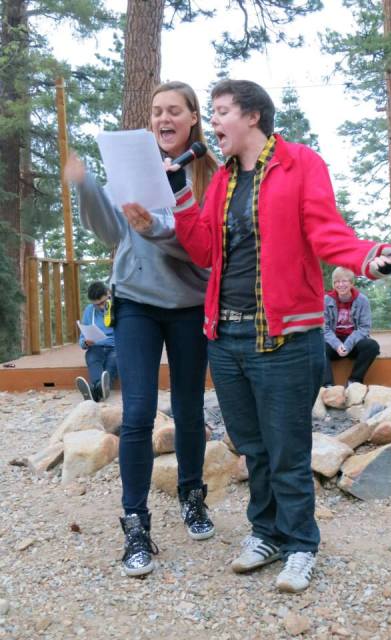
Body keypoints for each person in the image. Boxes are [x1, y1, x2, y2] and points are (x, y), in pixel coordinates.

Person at [160, 78, 391, 593]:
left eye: (220, 110)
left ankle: (300, 546)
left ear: (252, 116)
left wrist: (366, 256)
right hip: (225, 338)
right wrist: (180, 191)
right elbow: (202, 250)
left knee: (287, 449)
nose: (212, 122)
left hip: (283, 337)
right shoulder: (222, 180)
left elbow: (325, 229)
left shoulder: (299, 164)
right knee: (253, 447)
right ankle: (265, 534)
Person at [64, 81, 218, 578]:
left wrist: (156, 228)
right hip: (135, 304)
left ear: (193, 118)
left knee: (191, 408)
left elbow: (204, 250)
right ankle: (135, 523)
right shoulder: (133, 169)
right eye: (156, 112)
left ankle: (193, 496)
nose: (163, 119)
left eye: (174, 110)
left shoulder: (210, 175)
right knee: (136, 414)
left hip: (191, 305)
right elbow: (111, 231)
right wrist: (86, 185)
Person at [323, 267, 380, 387]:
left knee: (372, 346)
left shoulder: (362, 300)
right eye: (336, 282)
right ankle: (328, 385)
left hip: (354, 342)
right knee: (318, 347)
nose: (340, 285)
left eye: (344, 281)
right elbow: (325, 329)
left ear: (351, 283)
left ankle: (354, 381)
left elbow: (364, 328)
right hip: (334, 342)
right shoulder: (326, 300)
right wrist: (337, 345)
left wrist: (348, 345)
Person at [76, 281, 117, 402]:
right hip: (96, 346)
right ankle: (100, 388)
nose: (100, 307)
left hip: (115, 347)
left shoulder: (117, 307)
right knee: (92, 357)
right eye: (96, 304)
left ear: (108, 294)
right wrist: (85, 342)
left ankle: (94, 391)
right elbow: (82, 338)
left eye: (103, 302)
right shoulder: (89, 311)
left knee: (113, 361)